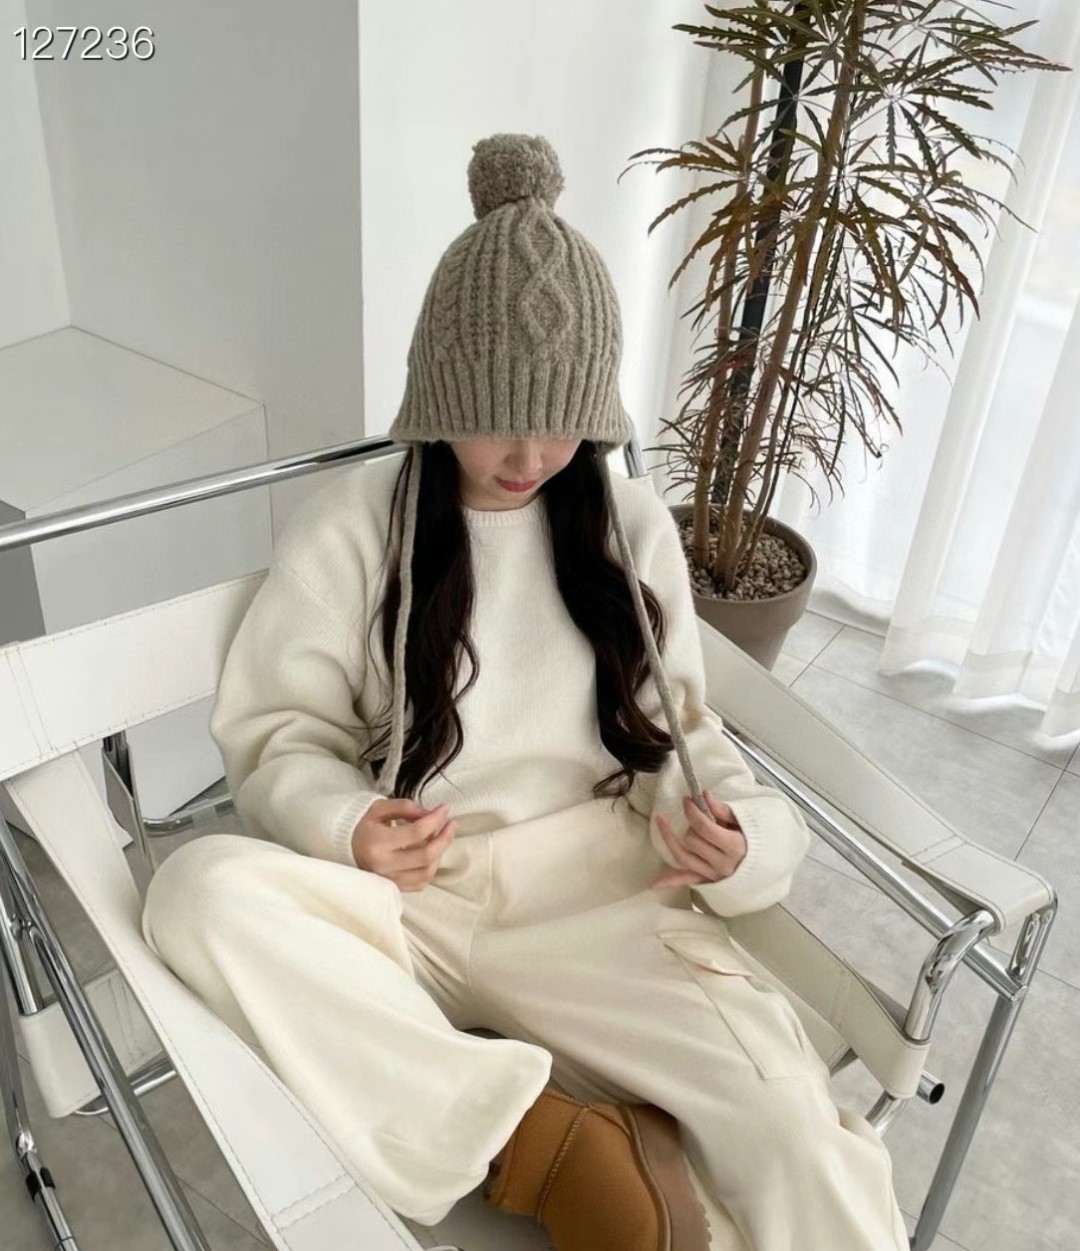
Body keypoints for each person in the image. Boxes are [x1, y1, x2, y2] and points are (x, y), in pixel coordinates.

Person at [141, 133, 910, 1251]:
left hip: (601, 904)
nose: (532, 453)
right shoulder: (354, 527)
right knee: (196, 893)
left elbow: (685, 731)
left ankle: (553, 1124)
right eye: (501, 414)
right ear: (442, 392)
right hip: (414, 902)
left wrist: (746, 839)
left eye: (563, 418)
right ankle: (550, 1149)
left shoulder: (626, 526)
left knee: (793, 1137)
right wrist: (347, 823)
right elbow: (279, 732)